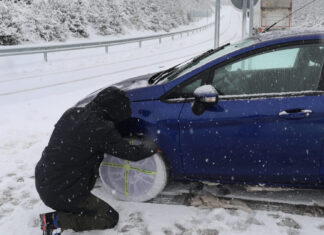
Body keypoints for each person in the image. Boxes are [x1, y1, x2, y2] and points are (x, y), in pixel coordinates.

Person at [35, 86, 158, 234]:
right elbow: (131, 153)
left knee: (81, 202)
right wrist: (153, 146)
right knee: (109, 217)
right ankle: (55, 221)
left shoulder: (72, 113)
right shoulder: (101, 129)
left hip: (44, 178)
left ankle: (67, 209)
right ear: (115, 110)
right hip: (63, 192)